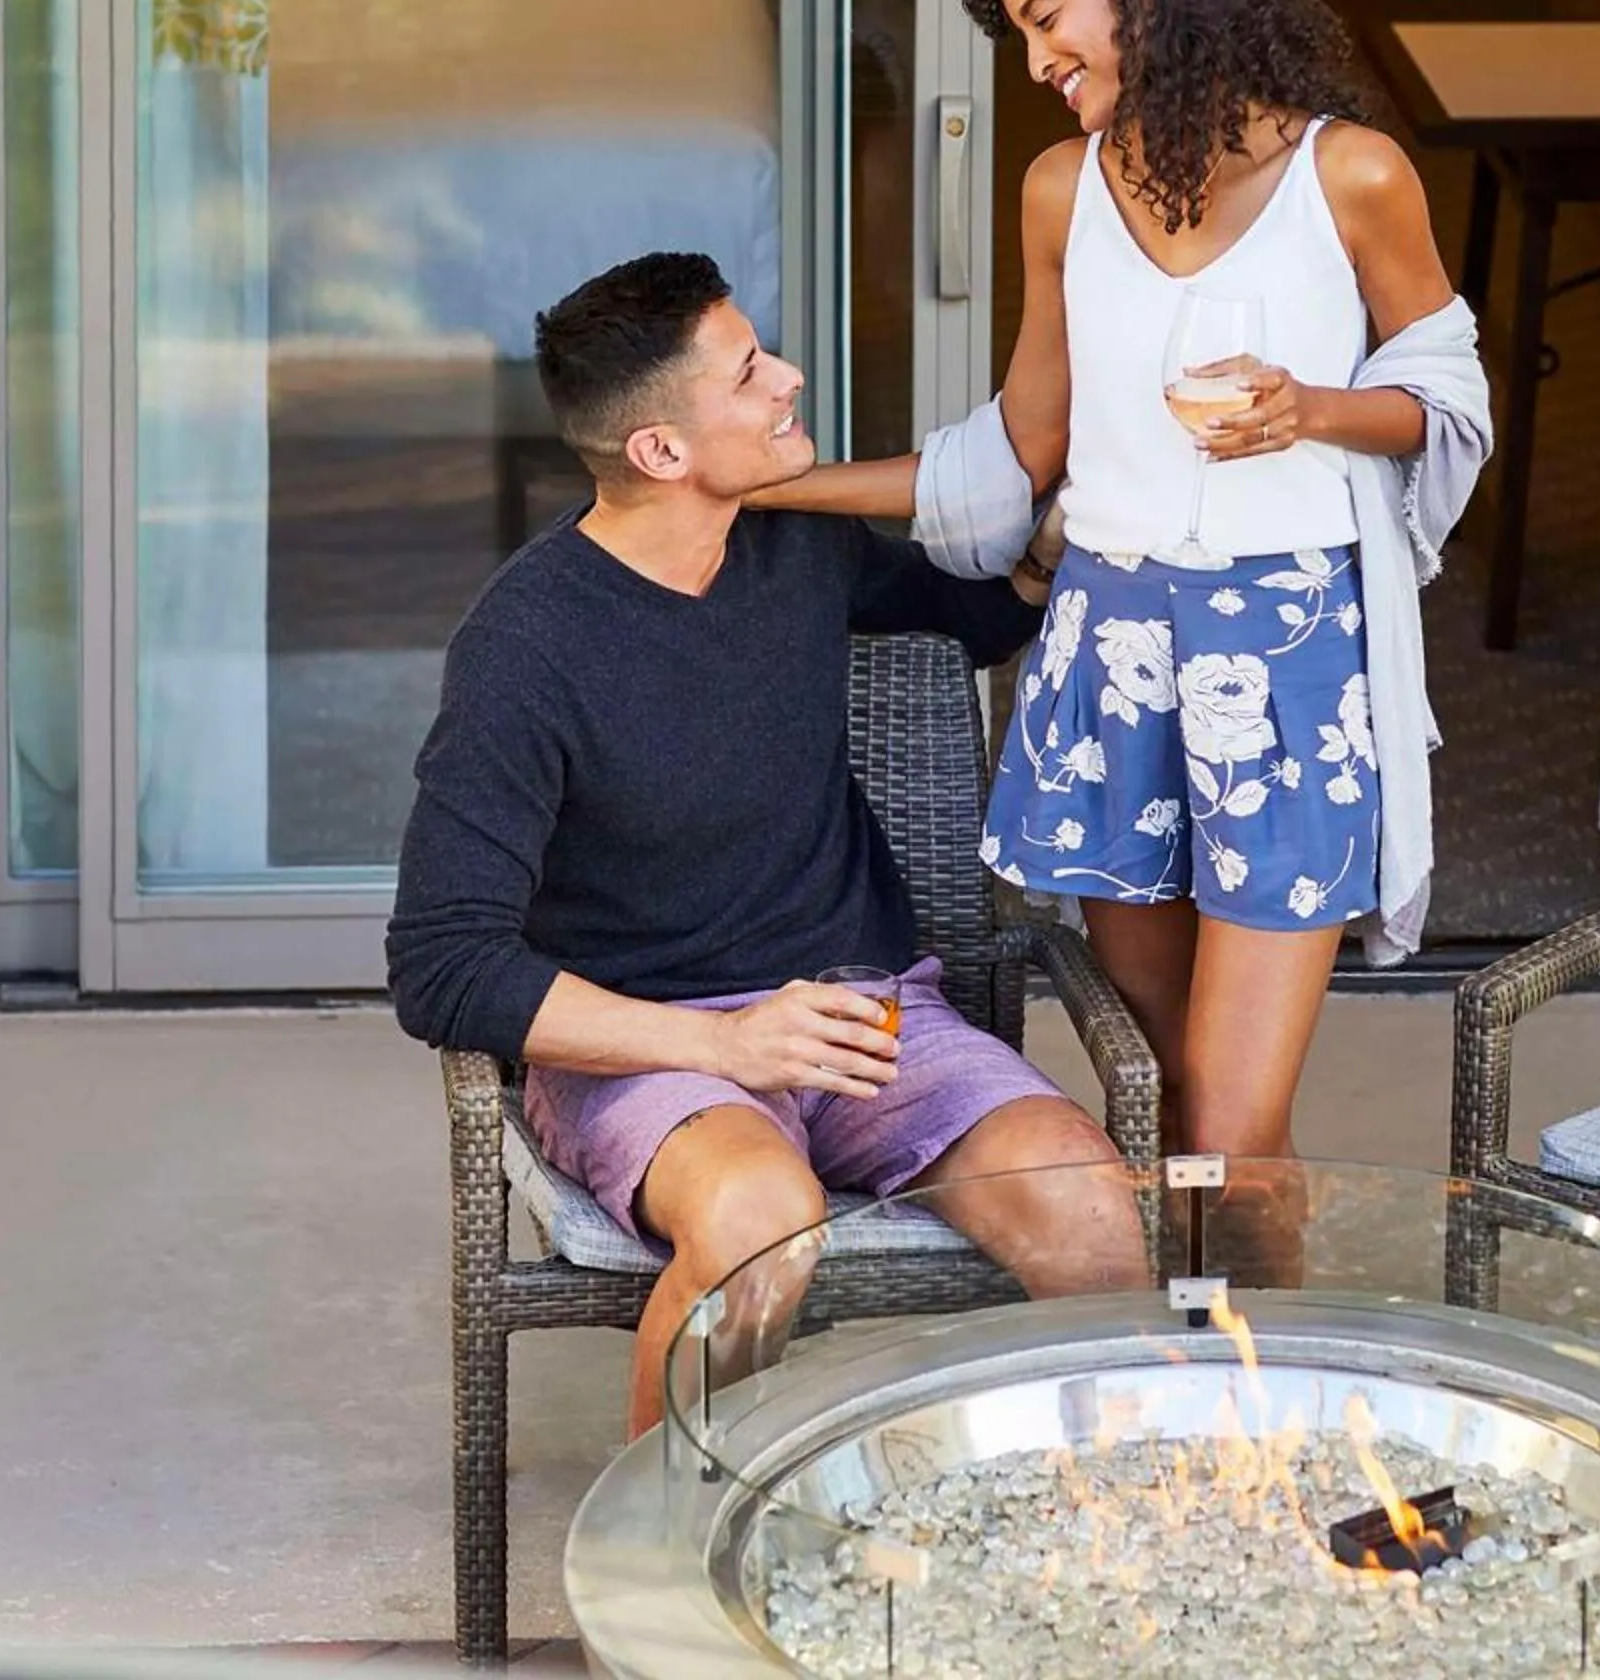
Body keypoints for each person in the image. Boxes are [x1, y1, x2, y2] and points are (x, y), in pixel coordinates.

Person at [764, 0, 1492, 1183]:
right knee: (1164, 1102)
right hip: (1109, 650)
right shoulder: (1061, 193)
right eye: (1021, 35)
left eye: (1048, 19)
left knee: (1225, 1120)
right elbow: (1020, 449)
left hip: (1288, 658)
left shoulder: (1354, 176)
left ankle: (1247, 1387)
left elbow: (1445, 398)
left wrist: (1309, 411)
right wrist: (770, 481)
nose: (1036, 61)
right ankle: (1212, 1356)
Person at [387, 251, 1140, 1437]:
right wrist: (727, 1041)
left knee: (1092, 1210)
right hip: (648, 1045)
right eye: (749, 373)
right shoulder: (524, 648)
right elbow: (443, 965)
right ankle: (662, 1586)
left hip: (865, 1015)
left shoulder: (792, 545)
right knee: (759, 1216)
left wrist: (1066, 526)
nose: (789, 379)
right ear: (661, 451)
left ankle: (1082, 1550)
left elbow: (978, 612)